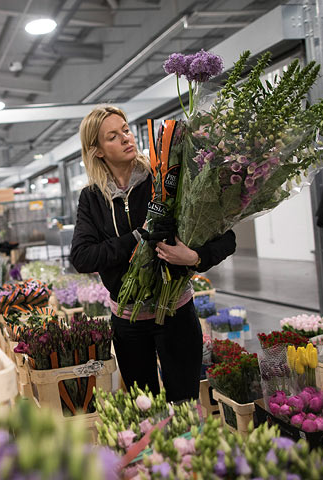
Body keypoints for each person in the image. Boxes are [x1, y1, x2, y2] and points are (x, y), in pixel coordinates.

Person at [70, 105, 236, 402]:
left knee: (183, 407)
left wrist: (194, 258)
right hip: (128, 322)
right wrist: (136, 239)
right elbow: (82, 257)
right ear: (96, 151)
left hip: (175, 314)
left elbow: (227, 239)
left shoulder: (164, 179)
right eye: (113, 136)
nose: (125, 138)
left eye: (125, 130)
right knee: (144, 412)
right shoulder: (92, 198)